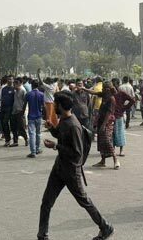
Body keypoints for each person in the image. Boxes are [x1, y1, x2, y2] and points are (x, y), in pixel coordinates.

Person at [38, 92, 114, 240]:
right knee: (46, 202)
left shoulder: (73, 125)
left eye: (55, 104)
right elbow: (61, 136)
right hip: (59, 168)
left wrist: (56, 146)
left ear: (60, 106)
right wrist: (52, 128)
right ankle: (42, 235)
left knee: (84, 201)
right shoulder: (64, 120)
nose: (53, 106)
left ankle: (105, 227)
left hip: (71, 170)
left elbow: (76, 153)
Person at [93, 83, 119, 169]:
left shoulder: (111, 99)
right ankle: (102, 160)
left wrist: (103, 125)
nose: (102, 89)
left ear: (108, 89)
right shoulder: (104, 96)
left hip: (108, 122)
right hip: (101, 120)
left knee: (107, 140)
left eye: (104, 88)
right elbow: (94, 93)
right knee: (101, 141)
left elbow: (109, 113)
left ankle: (115, 160)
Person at [113, 86, 134, 157]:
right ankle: (113, 150)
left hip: (119, 115)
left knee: (120, 133)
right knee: (112, 133)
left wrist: (124, 108)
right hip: (111, 116)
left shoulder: (121, 93)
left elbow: (132, 100)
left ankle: (121, 150)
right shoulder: (109, 94)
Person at [26, 81, 45, 158]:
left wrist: (21, 114)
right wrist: (45, 115)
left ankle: (33, 152)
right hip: (39, 116)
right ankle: (37, 149)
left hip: (31, 116)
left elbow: (24, 105)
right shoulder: (41, 94)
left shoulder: (28, 94)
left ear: (31, 85)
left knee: (31, 134)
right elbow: (44, 106)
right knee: (38, 133)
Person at [0, 76, 16, 147]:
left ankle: (15, 140)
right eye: (9, 79)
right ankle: (7, 140)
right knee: (3, 123)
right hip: (3, 108)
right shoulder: (3, 88)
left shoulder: (15, 88)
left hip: (12, 109)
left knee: (13, 125)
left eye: (11, 79)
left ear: (13, 80)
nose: (10, 80)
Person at [11, 79, 28, 147]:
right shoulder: (14, 91)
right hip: (14, 111)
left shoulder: (23, 91)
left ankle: (26, 139)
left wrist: (23, 111)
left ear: (19, 84)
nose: (14, 86)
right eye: (14, 84)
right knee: (13, 127)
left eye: (15, 84)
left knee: (21, 127)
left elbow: (25, 102)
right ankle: (15, 141)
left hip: (20, 111)